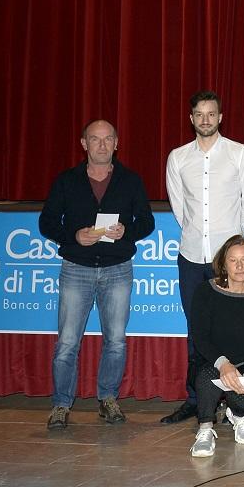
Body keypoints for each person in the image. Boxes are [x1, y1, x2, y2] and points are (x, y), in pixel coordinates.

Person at [39, 119, 155, 430]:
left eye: (107, 139)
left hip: (118, 269)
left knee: (115, 340)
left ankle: (107, 399)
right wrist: (72, 237)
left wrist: (126, 231)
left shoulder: (131, 181)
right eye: (95, 139)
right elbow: (47, 222)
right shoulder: (67, 181)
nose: (101, 145)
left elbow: (147, 222)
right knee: (67, 341)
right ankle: (61, 405)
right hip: (76, 269)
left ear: (117, 143)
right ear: (83, 144)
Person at [162, 90, 244, 425]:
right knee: (196, 330)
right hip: (190, 257)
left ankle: (234, 401)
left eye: (211, 114)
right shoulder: (178, 158)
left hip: (225, 260)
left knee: (232, 330)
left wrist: (231, 244)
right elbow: (179, 209)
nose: (206, 120)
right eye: (199, 114)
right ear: (192, 119)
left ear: (220, 117)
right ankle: (196, 400)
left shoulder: (239, 154)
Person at [188, 236, 244, 457]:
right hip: (213, 362)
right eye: (232, 260)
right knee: (207, 379)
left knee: (243, 400)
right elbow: (200, 337)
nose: (238, 266)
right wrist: (223, 364)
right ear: (223, 263)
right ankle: (205, 429)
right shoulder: (205, 292)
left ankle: (239, 415)